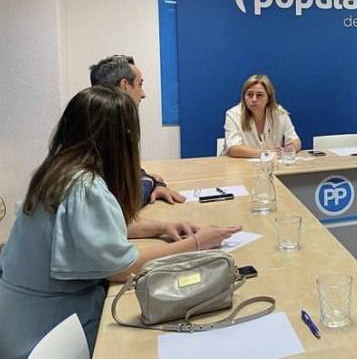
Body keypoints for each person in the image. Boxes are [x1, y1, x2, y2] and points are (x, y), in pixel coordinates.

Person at [0, 87, 240, 359]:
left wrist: (162, 227)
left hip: (18, 319)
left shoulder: (58, 171)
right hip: (46, 332)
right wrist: (197, 244)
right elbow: (122, 268)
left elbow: (91, 230)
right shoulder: (84, 187)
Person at [90, 54, 185, 205]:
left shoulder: (95, 118)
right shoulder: (106, 130)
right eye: (140, 85)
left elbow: (130, 172)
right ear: (124, 85)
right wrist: (151, 182)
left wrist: (150, 181)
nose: (143, 94)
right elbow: (124, 197)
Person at [224, 74, 301, 158]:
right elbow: (233, 149)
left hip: (271, 164)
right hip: (238, 165)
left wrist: (287, 150)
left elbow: (296, 141)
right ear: (244, 97)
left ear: (269, 98)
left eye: (259, 95)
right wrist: (266, 153)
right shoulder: (233, 114)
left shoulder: (279, 113)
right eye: (249, 94)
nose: (254, 99)